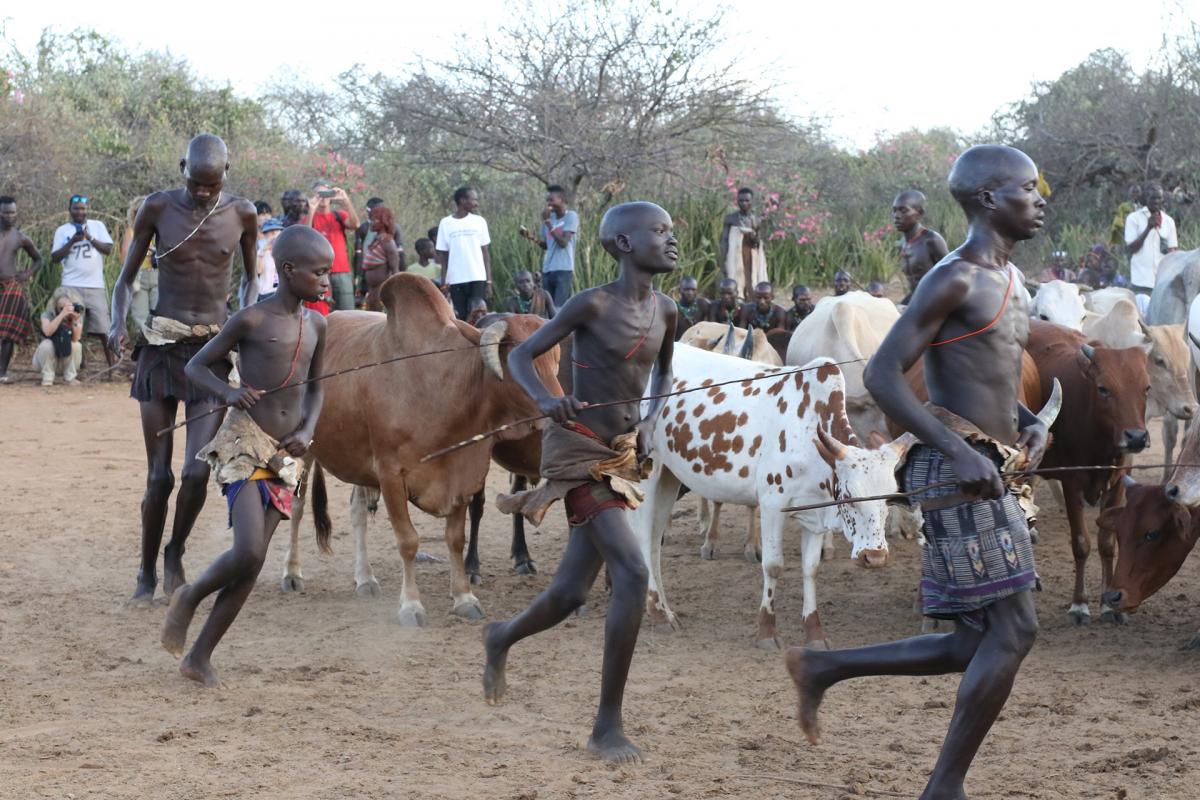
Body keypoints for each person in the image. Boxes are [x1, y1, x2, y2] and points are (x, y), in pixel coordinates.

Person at [788, 144, 1048, 800]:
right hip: (953, 467)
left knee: (973, 641)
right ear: (989, 199)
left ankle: (823, 666)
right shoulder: (954, 276)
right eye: (1026, 188)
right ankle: (944, 788)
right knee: (1014, 629)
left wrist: (1028, 419)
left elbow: (983, 374)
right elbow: (882, 374)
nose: (1039, 198)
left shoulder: (1014, 281)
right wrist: (959, 450)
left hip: (987, 464)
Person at [484, 200, 677, 764]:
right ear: (623, 244)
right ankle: (605, 727)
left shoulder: (666, 310)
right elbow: (522, 355)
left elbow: (665, 370)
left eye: (670, 232)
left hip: (619, 455)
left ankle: (501, 637)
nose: (670, 241)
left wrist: (649, 416)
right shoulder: (590, 304)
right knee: (633, 571)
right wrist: (548, 399)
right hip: (575, 453)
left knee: (569, 593)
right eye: (658, 232)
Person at [161, 225, 330, 687]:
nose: (326, 282)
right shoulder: (251, 320)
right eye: (319, 273)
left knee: (251, 563)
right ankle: (190, 596)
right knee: (249, 548)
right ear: (289, 270)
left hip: (287, 454)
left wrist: (308, 432)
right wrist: (230, 392)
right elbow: (197, 367)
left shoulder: (317, 324)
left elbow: (317, 389)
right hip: (245, 442)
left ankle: (198, 657)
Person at [109, 133, 260, 607]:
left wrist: (246, 319)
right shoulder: (156, 209)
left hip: (211, 352)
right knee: (160, 477)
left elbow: (253, 278)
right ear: (182, 170)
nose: (203, 193)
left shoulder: (242, 214)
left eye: (212, 186)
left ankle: (175, 553)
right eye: (197, 184)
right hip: (160, 348)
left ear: (225, 176)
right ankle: (147, 569)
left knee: (196, 473)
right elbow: (125, 278)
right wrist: (117, 321)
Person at [51, 194, 116, 369]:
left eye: (83, 208)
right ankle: (78, 365)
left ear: (88, 209)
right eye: (76, 208)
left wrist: (90, 238)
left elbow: (108, 249)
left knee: (104, 328)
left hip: (95, 285)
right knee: (74, 326)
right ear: (70, 210)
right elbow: (55, 258)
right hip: (71, 285)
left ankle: (112, 367)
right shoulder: (62, 230)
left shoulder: (97, 226)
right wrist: (72, 241)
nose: (80, 212)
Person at [0, 195, 44, 382]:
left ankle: (2, 372)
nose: (10, 216)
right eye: (6, 212)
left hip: (11, 285)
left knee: (9, 333)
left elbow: (39, 259)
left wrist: (27, 274)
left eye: (13, 212)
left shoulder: (20, 237)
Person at [437, 187, 493, 320]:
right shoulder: (446, 223)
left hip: (477, 277)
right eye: (474, 199)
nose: (476, 203)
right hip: (456, 279)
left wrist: (489, 281)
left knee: (479, 315)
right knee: (461, 316)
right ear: (462, 200)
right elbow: (444, 257)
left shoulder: (479, 221)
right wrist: (444, 283)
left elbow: (485, 253)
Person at [521, 185, 579, 308]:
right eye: (547, 200)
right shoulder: (549, 219)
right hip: (547, 269)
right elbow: (548, 245)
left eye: (551, 200)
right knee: (547, 307)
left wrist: (548, 223)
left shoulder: (571, 216)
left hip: (563, 269)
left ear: (562, 200)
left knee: (559, 307)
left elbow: (563, 243)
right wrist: (530, 237)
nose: (549, 203)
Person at [305, 181, 360, 311]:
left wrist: (346, 201)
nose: (323, 198)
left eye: (326, 193)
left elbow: (355, 224)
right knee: (322, 313)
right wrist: (311, 209)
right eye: (319, 194)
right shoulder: (310, 217)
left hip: (341, 271)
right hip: (318, 272)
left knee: (347, 312)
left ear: (331, 196)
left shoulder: (338, 215)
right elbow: (305, 237)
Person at [1125, 182, 1178, 315]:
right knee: (1142, 319)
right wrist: (1148, 228)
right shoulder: (1134, 218)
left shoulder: (1169, 221)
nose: (1156, 201)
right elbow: (1131, 248)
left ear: (1162, 199)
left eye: (1158, 198)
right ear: (1145, 198)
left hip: (1162, 282)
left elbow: (1173, 251)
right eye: (1152, 198)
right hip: (1141, 282)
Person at [893, 190, 949, 303]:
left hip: (936, 301)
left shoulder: (931, 240)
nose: (896, 216)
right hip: (916, 299)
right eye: (894, 210)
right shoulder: (901, 244)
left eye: (903, 210)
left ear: (920, 213)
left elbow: (951, 275)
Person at [719, 187, 768, 299]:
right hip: (735, 257)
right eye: (741, 200)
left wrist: (754, 238)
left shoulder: (756, 220)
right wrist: (723, 261)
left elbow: (758, 244)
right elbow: (724, 241)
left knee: (751, 282)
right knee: (736, 282)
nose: (744, 203)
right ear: (737, 201)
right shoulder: (731, 219)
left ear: (752, 202)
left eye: (747, 200)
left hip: (751, 258)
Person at [121, 196, 158, 335]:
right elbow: (124, 259)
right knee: (140, 317)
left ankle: (159, 349)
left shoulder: (160, 230)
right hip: (138, 276)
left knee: (159, 316)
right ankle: (145, 349)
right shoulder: (131, 231)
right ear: (134, 213)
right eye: (139, 212)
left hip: (157, 274)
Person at [33, 287, 84, 386]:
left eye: (67, 307)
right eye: (61, 308)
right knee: (46, 344)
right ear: (55, 306)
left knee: (76, 345)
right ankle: (47, 377)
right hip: (45, 360)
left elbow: (76, 338)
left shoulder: (75, 316)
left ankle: (70, 377)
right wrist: (61, 315)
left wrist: (74, 321)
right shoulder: (47, 315)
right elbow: (48, 332)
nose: (65, 310)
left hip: (63, 359)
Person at [361, 205, 400, 311]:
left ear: (383, 221)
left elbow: (395, 270)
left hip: (381, 289)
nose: (371, 222)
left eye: (374, 220)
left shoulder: (388, 242)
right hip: (372, 290)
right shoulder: (376, 240)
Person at [673, 275, 710, 339]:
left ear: (697, 291)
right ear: (679, 290)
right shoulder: (674, 308)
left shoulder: (702, 304)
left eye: (693, 289)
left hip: (698, 344)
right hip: (679, 345)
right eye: (686, 289)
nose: (690, 292)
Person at [257, 218, 284, 298]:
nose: (274, 235)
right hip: (265, 293)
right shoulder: (261, 251)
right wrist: (263, 251)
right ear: (265, 235)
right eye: (271, 232)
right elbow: (258, 270)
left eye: (276, 231)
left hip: (281, 292)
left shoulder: (285, 250)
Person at [1109, 183, 1141, 247]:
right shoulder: (1123, 206)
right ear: (1130, 193)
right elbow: (1118, 222)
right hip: (1126, 236)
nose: (1135, 194)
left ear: (1141, 193)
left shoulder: (1143, 207)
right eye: (1133, 192)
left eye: (1137, 192)